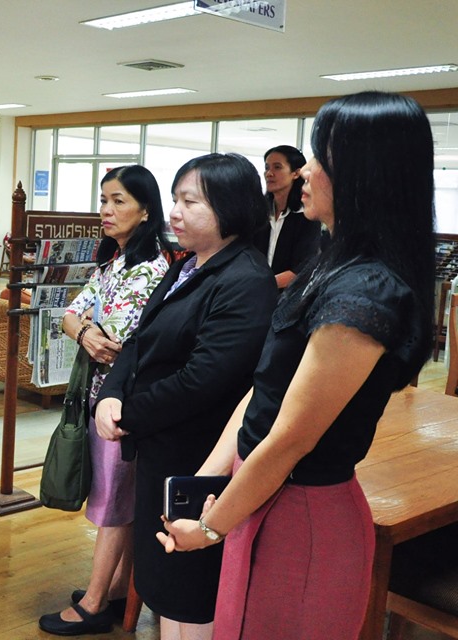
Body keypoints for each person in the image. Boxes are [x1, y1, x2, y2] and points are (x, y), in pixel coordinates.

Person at [158, 92, 436, 640]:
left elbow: (291, 440)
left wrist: (210, 528)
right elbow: (265, 390)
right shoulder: (333, 262)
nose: (304, 172)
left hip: (302, 513)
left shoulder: (366, 291)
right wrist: (210, 481)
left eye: (320, 158)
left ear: (364, 174)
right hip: (259, 492)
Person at [94, 153, 278, 639]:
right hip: (160, 450)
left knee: (190, 592)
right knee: (163, 582)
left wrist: (129, 414)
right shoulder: (189, 264)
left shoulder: (246, 279)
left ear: (230, 208)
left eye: (190, 202)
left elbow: (203, 380)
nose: (174, 213)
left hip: (197, 459)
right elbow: (138, 339)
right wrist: (110, 394)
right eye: (175, 199)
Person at [38, 165, 171, 636]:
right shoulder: (113, 262)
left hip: (125, 404)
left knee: (115, 504)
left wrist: (88, 330)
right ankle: (115, 591)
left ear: (146, 210)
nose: (106, 211)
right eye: (103, 200)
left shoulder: (152, 270)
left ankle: (95, 603)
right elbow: (70, 314)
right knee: (118, 500)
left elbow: (115, 340)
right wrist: (84, 331)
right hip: (99, 398)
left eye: (118, 201)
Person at [252, 145, 320, 290]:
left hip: (288, 295)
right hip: (257, 293)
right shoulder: (260, 213)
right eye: (267, 167)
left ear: (296, 173)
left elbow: (302, 269)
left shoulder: (306, 216)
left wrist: (260, 285)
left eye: (277, 167)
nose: (269, 173)